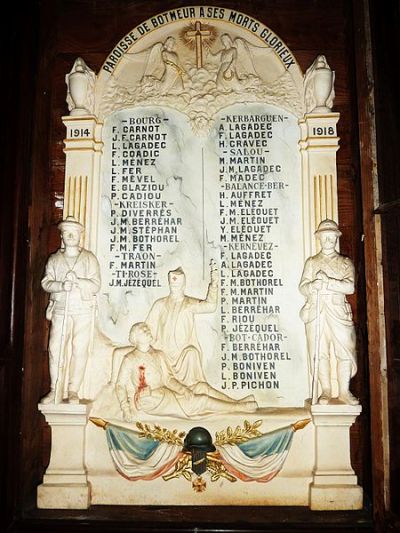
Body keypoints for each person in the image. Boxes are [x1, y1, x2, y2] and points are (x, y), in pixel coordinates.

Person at [115, 322, 258, 420]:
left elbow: (169, 380)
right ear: (135, 338)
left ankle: (236, 402)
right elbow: (120, 385)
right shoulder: (130, 358)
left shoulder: (158, 354)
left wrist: (183, 390)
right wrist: (125, 408)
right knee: (199, 400)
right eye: (143, 331)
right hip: (150, 400)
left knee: (202, 387)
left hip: (164, 392)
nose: (148, 331)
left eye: (147, 328)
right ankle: (239, 408)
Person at [41, 216, 101, 404]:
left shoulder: (89, 259)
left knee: (79, 349)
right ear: (62, 236)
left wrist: (79, 281)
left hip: (82, 309)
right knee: (56, 349)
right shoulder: (55, 259)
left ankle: (73, 389)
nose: (70, 236)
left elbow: (96, 284)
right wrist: (60, 285)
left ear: (79, 235)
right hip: (61, 308)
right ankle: (55, 389)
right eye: (67, 233)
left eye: (73, 233)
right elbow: (46, 282)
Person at [299, 219, 358, 406]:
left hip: (338, 310)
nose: (328, 240)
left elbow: (350, 286)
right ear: (319, 238)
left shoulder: (344, 263)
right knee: (320, 352)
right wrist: (313, 286)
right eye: (325, 237)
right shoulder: (312, 262)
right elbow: (302, 287)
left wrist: (329, 282)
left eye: (331, 237)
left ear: (336, 238)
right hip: (317, 310)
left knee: (344, 351)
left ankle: (344, 391)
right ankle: (325, 390)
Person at [146, 263, 217, 387]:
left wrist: (214, 285)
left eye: (177, 286)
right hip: (163, 352)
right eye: (173, 286)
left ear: (183, 286)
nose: (175, 288)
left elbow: (210, 306)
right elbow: (149, 327)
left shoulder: (189, 303)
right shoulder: (160, 304)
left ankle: (193, 391)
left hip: (183, 353)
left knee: (192, 354)